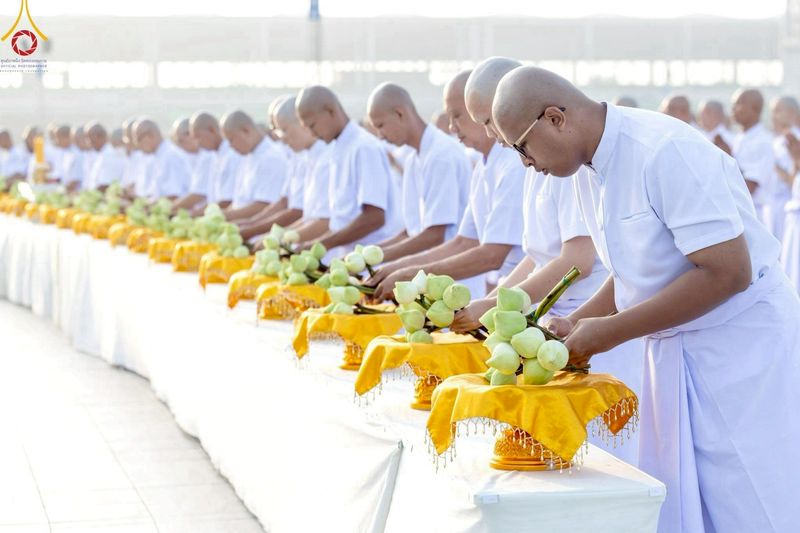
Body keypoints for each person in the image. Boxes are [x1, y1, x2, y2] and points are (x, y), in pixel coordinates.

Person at [493, 65, 800, 533]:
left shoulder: (664, 151)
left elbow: (727, 272)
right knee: (680, 504)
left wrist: (608, 333)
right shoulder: (584, 170)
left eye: (522, 146)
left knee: (752, 506)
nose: (525, 163)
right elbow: (634, 271)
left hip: (739, 355)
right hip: (677, 354)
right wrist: (576, 321)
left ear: (555, 118)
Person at [450, 56, 642, 465]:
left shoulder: (565, 160)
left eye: (491, 121)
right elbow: (535, 256)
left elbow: (577, 260)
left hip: (586, 323)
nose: (494, 134)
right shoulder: (531, 162)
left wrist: (504, 304)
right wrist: (499, 303)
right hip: (554, 326)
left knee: (601, 455)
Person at [368, 70, 525, 300]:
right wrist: (395, 267)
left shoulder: (511, 164)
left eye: (457, 116)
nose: (451, 127)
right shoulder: (484, 164)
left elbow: (492, 255)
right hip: (500, 296)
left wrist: (406, 271)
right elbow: (463, 242)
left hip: (509, 298)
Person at [367, 82, 472, 263]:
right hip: (426, 274)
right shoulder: (414, 158)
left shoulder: (441, 155)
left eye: (381, 125)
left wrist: (377, 259)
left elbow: (434, 235)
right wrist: (368, 254)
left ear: (400, 114)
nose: (380, 136)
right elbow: (413, 230)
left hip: (453, 280)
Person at [296, 86, 401, 252]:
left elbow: (374, 217)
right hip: (348, 259)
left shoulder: (363, 148)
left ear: (330, 111)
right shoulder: (337, 148)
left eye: (312, 125)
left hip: (372, 261)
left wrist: (321, 245)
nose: (312, 133)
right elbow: (341, 218)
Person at [239, 97, 326, 242]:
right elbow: (287, 203)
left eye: (283, 130)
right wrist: (252, 224)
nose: (282, 138)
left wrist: (276, 239)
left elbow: (304, 214)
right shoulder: (303, 156)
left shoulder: (326, 157)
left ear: (302, 123)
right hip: (305, 242)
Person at [222, 110, 288, 223]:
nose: (230, 146)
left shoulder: (271, 158)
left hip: (255, 233)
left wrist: (221, 217)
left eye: (231, 139)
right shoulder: (246, 157)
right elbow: (239, 202)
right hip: (239, 229)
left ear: (246, 130)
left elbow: (263, 206)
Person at [728, 89, 778, 235]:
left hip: (754, 213)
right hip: (738, 211)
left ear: (754, 108)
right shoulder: (739, 138)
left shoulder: (762, 141)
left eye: (738, 104)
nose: (733, 109)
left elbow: (750, 185)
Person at [133, 119, 191, 201]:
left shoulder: (170, 156)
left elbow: (173, 195)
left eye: (138, 139)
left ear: (150, 135)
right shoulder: (158, 156)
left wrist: (147, 207)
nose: (137, 145)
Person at [771, 96, 800, 241]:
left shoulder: (793, 139)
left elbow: (792, 179)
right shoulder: (777, 141)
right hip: (774, 205)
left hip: (789, 203)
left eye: (777, 111)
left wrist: (775, 168)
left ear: (792, 112)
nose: (773, 116)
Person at [84, 122, 125, 191]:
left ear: (99, 137)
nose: (88, 142)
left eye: (90, 138)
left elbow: (106, 185)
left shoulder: (110, 156)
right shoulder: (101, 154)